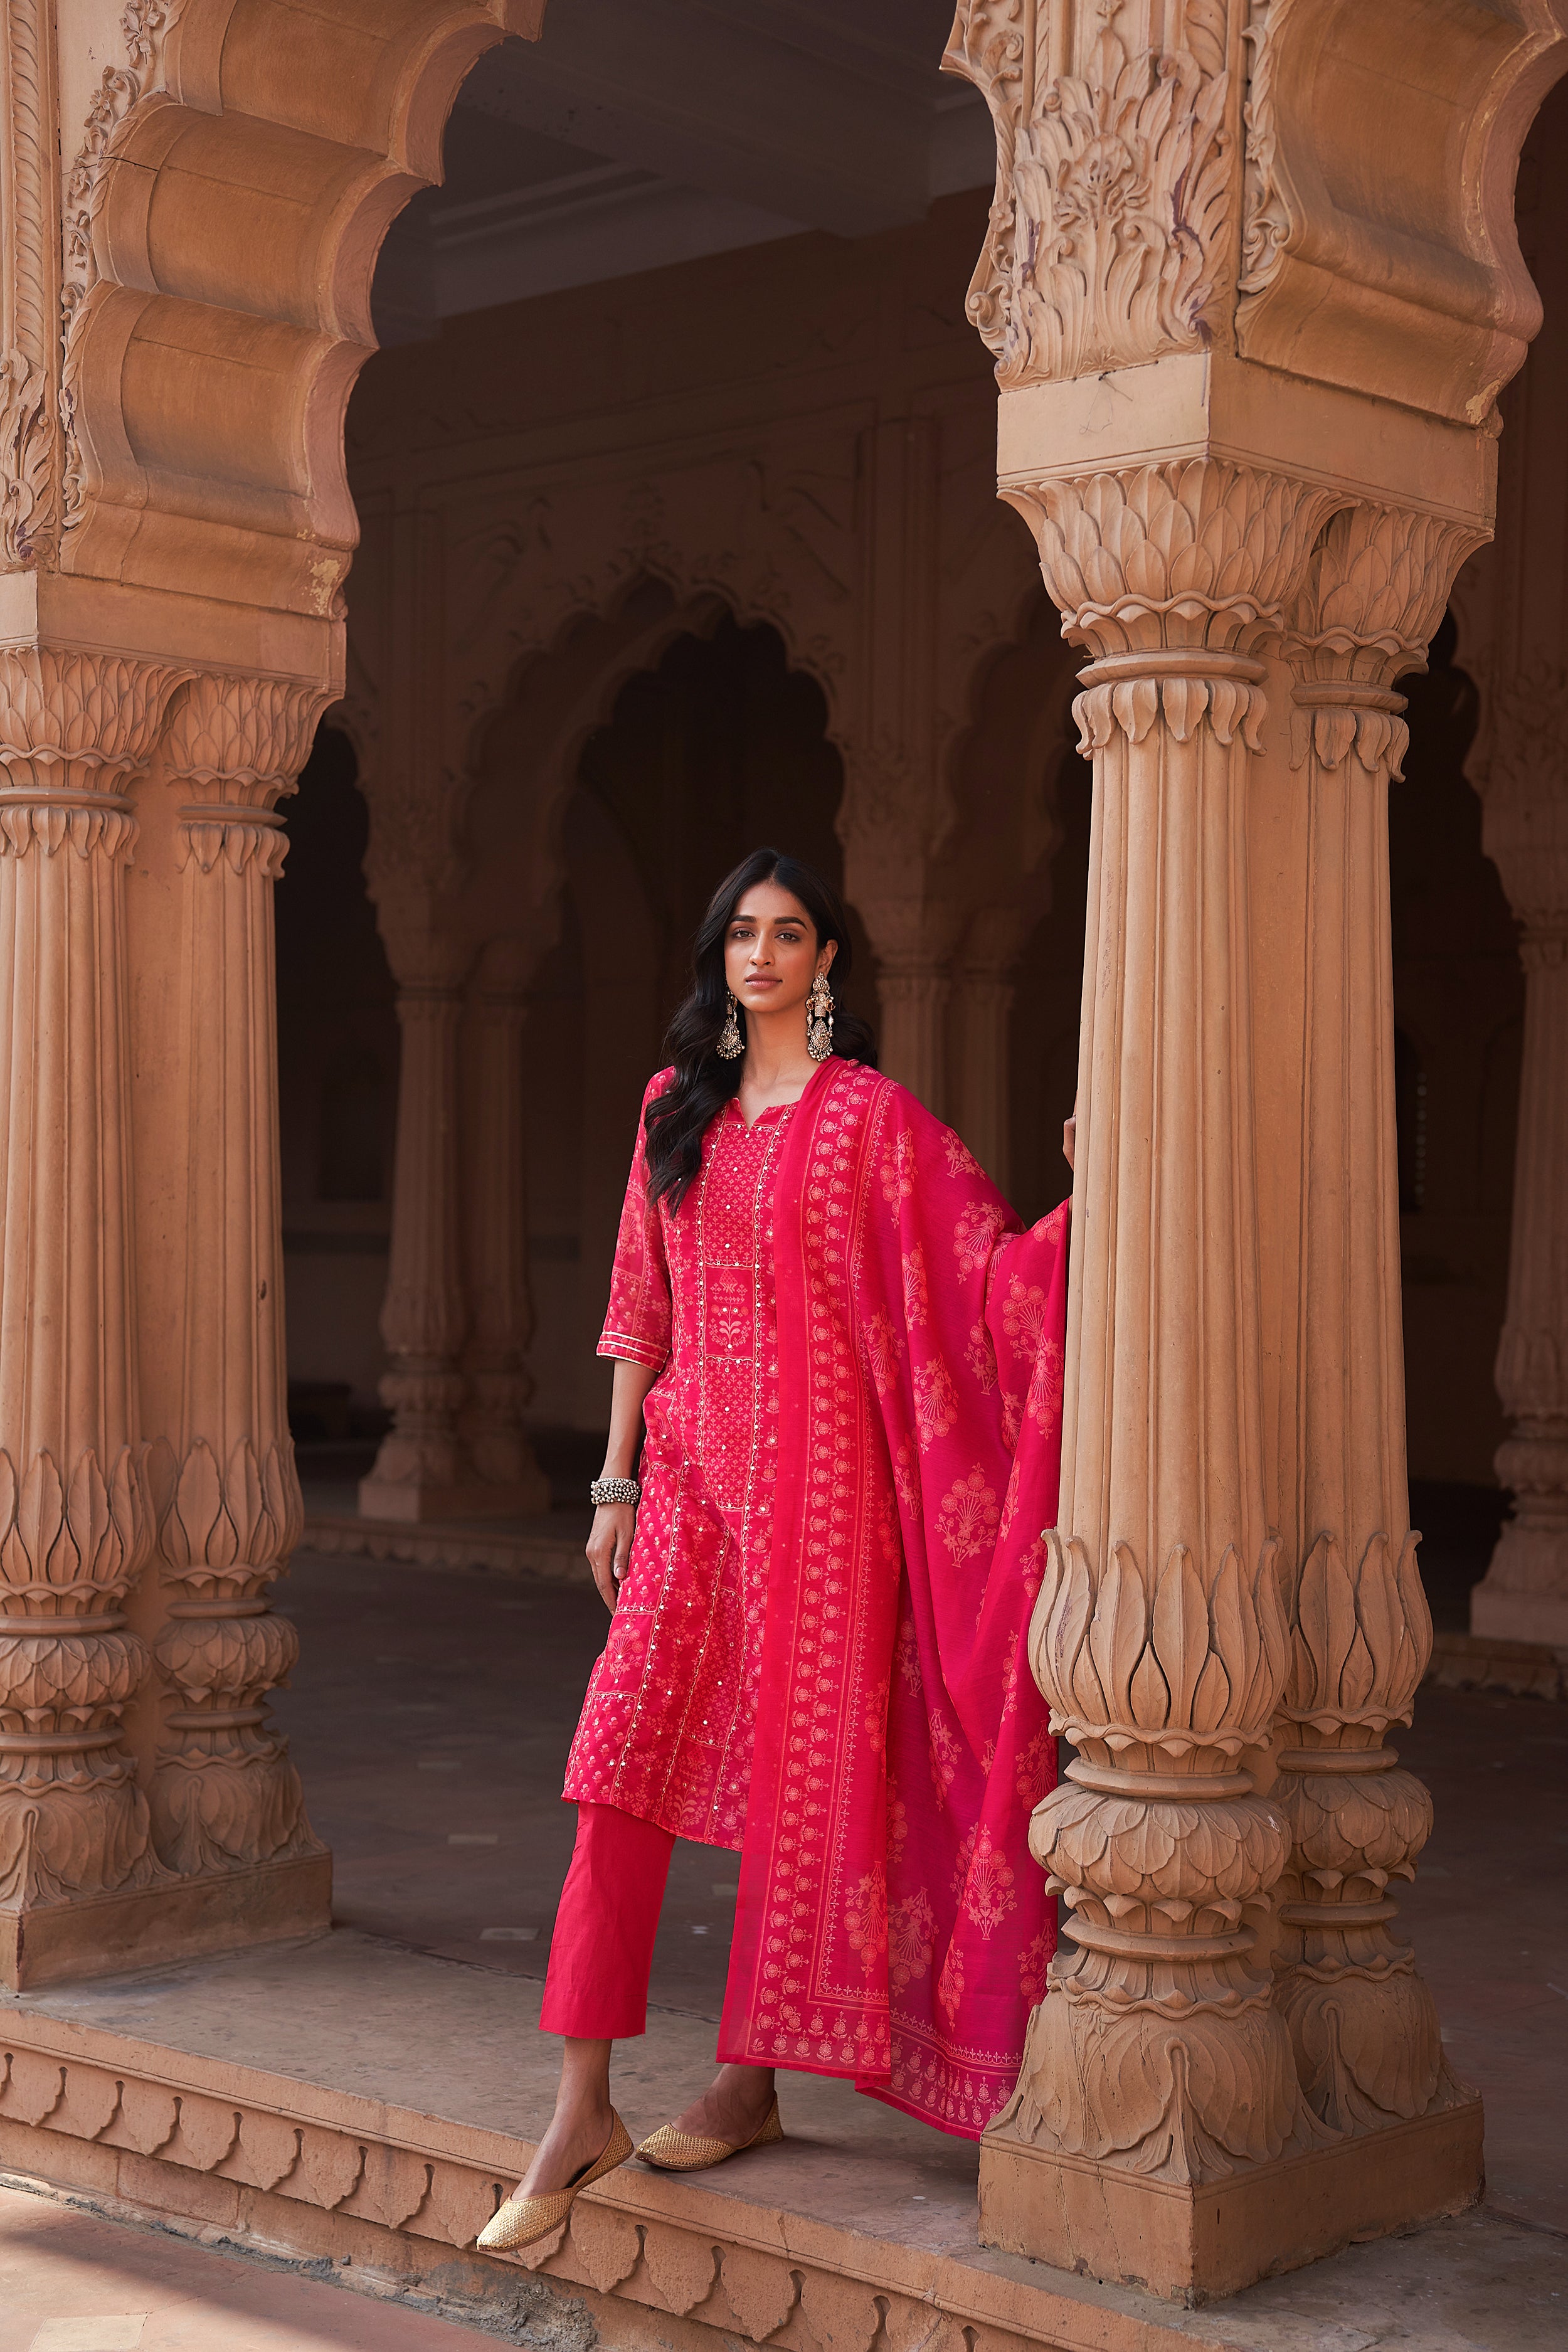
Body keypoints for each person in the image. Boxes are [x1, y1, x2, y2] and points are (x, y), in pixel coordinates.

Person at [479, 849, 1071, 2252]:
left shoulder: (869, 1119)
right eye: (741, 933)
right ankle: (579, 2108)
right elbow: (638, 1304)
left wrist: (1087, 1200)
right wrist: (613, 1486)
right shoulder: (672, 1108)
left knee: (793, 1789)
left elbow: (980, 1273)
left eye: (788, 933)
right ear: (720, 956)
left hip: (825, 1502)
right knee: (616, 1765)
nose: (760, 954)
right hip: (687, 1485)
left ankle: (747, 2082)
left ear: (825, 961)